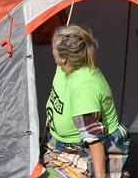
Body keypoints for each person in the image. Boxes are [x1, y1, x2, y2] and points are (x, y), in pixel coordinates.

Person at [42, 25, 127, 178]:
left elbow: (94, 141)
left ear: (64, 58)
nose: (51, 48)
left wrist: (101, 176)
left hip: (84, 150)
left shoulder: (83, 89)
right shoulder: (65, 67)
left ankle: (112, 170)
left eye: (53, 46)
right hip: (58, 143)